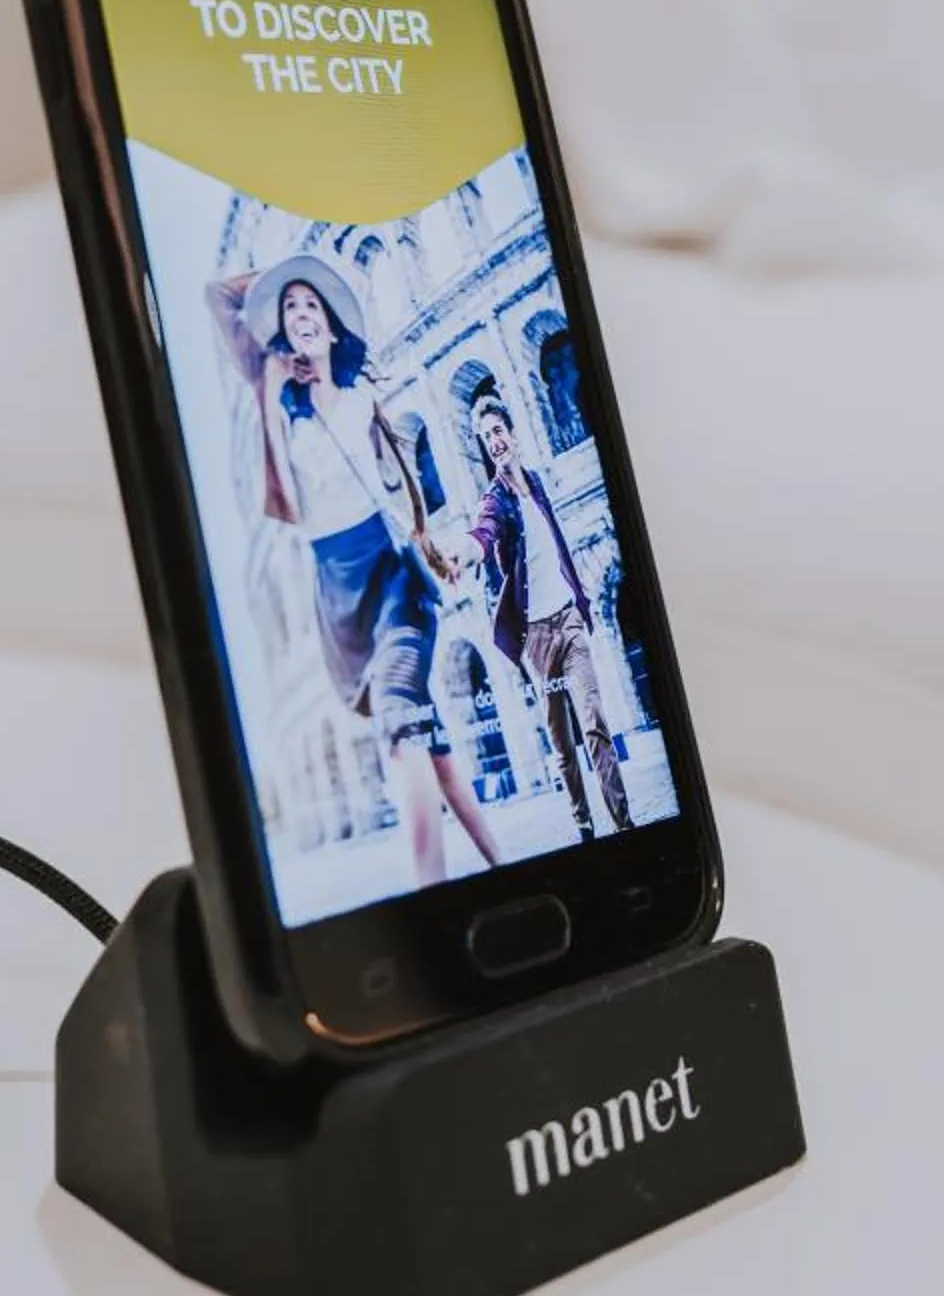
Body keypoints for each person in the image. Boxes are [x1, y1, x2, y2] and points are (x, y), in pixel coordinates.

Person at [207, 252, 500, 887]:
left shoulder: (363, 393)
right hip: (336, 593)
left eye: (313, 304)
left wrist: (430, 544)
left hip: (393, 579)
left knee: (399, 720)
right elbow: (216, 297)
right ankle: (503, 867)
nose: (302, 313)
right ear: (280, 335)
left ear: (333, 327)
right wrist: (268, 382)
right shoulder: (283, 413)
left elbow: (405, 493)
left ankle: (431, 897)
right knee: (439, 751)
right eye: (291, 309)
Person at [460, 394, 632, 840]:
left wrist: (580, 601)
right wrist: (464, 553)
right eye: (486, 438)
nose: (494, 441)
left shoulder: (535, 484)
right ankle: (584, 825)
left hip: (568, 622)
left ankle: (623, 821)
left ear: (512, 435)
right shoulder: (494, 501)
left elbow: (557, 547)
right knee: (562, 744)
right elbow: (483, 532)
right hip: (536, 638)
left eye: (498, 431)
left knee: (594, 722)